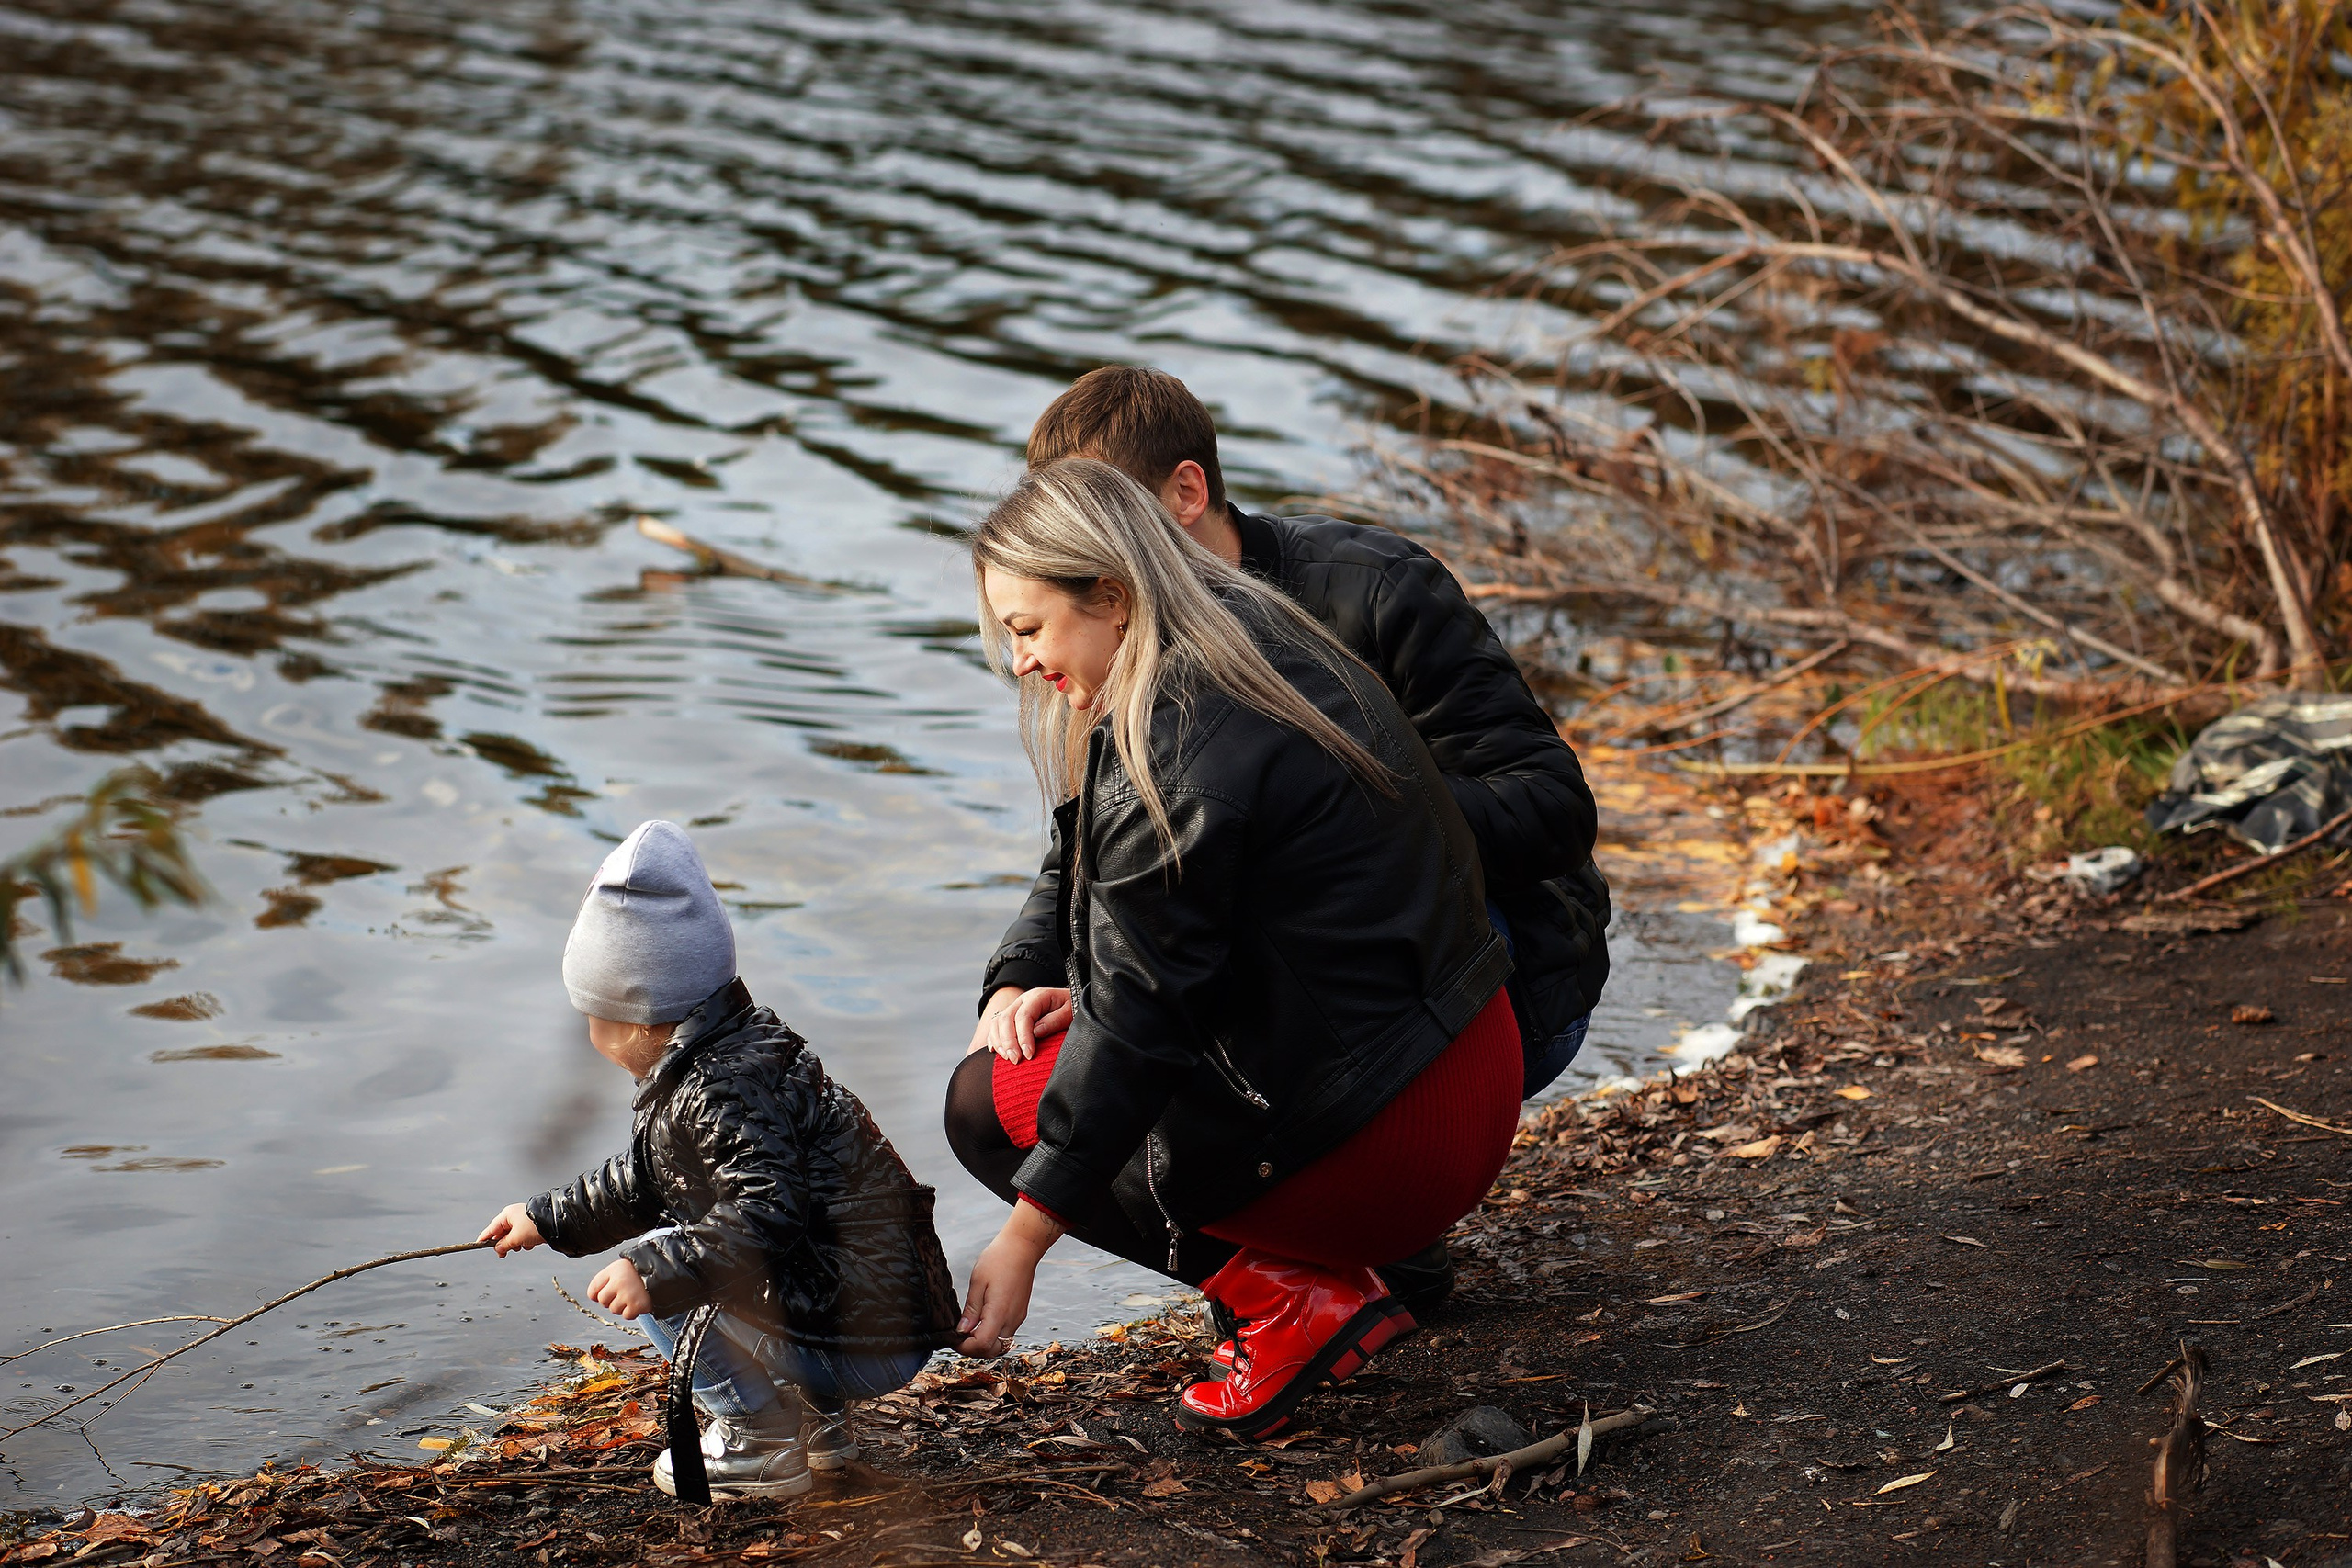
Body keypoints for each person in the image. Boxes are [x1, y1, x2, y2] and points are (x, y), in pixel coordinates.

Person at [968, 366, 1609, 1313]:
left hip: (1502, 975)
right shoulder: (1114, 646)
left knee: (1127, 1045)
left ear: (1182, 495)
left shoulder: (1365, 598)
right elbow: (1093, 850)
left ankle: (1340, 1256)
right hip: (1322, 977)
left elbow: (1553, 806)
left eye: (1104, 511)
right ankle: (1324, 1265)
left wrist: (1330, 845)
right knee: (1057, 1038)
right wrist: (1024, 968)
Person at [945, 458, 1522, 1439]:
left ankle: (1295, 1299)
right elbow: (1222, 930)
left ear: (1114, 597)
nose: (1018, 663)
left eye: (1028, 627)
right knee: (1077, 1051)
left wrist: (1021, 1238)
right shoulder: (1264, 641)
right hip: (1471, 1063)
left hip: (1399, 1145)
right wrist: (1069, 987)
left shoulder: (1172, 756)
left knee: (984, 1107)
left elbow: (1143, 1022)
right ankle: (1331, 1272)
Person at [480, 820, 961, 1502]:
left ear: (644, 1019)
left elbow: (766, 1213)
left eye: (597, 1017)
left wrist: (651, 1269)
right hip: (876, 1313)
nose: (591, 1036)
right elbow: (645, 1179)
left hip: (865, 1331)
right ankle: (820, 1424)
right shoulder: (734, 1051)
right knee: (694, 1241)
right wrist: (544, 1216)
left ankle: (759, 1440)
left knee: (661, 1259)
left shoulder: (716, 1088)